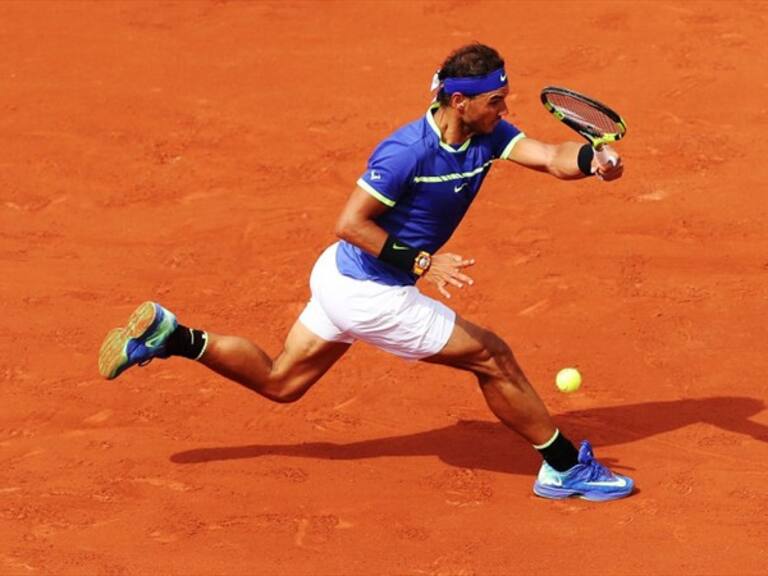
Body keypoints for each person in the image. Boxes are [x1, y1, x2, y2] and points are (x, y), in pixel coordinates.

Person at [98, 43, 633, 501]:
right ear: (459, 101)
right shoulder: (407, 152)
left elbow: (548, 156)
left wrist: (592, 161)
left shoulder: (487, 134)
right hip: (370, 290)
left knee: (282, 381)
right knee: (492, 356)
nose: (504, 108)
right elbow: (350, 223)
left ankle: (174, 335)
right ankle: (565, 467)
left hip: (338, 281)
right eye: (496, 101)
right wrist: (424, 263)